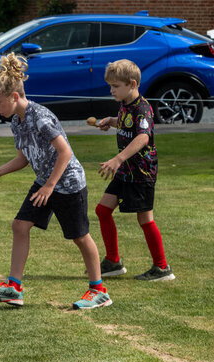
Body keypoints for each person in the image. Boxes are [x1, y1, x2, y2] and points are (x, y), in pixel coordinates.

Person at [0, 53, 111, 309]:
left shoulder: (40, 117)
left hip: (68, 184)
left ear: (14, 97)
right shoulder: (16, 122)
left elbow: (65, 152)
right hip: (45, 183)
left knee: (80, 236)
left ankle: (99, 291)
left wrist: (50, 186)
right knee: (20, 225)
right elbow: (24, 158)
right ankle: (13, 288)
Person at [95, 59, 174, 281]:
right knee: (102, 210)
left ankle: (162, 268)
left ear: (132, 84)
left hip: (141, 173)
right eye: (110, 86)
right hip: (126, 172)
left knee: (145, 219)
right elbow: (127, 123)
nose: (111, 91)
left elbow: (142, 136)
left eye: (115, 86)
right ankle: (113, 262)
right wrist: (112, 121)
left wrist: (118, 159)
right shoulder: (126, 105)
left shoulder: (142, 108)